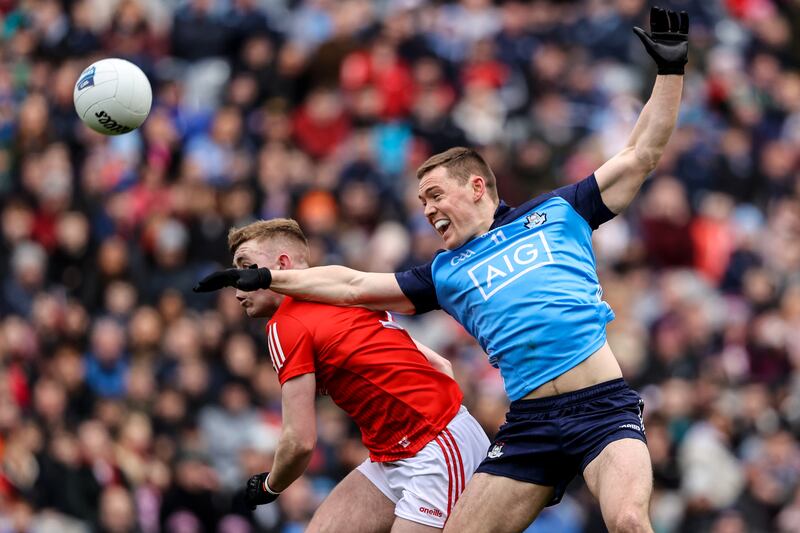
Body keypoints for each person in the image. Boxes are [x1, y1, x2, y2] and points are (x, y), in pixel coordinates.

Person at [195, 7, 688, 532]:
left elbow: (640, 155)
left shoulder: (558, 212)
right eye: (421, 202)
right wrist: (268, 278)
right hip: (530, 425)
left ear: (476, 187)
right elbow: (353, 285)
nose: (427, 210)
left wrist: (670, 72)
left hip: (601, 408)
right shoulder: (444, 272)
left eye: (434, 195)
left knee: (628, 520)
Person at [205, 219, 490, 532]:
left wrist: (269, 486)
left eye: (245, 268)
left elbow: (299, 442)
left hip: (434, 447)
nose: (237, 290)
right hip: (398, 451)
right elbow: (440, 365)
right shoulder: (341, 294)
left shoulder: (285, 324)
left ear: (282, 264)